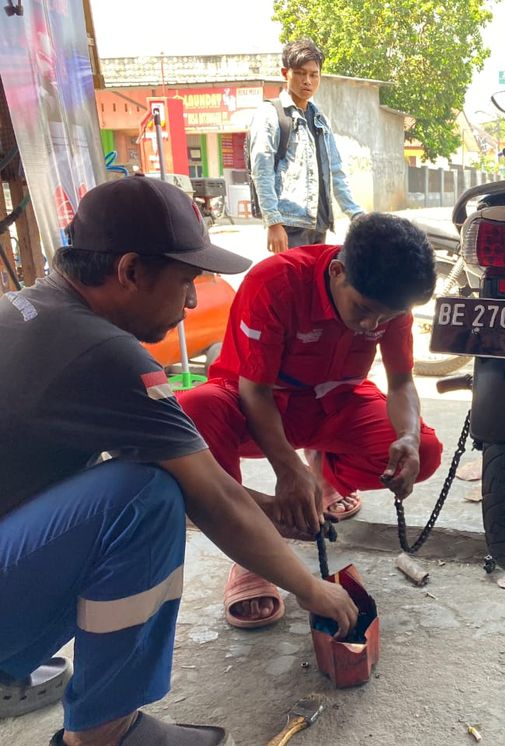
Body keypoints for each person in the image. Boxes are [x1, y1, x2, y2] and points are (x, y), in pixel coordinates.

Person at [0, 176, 359, 746]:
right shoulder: (105, 354)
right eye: (187, 281)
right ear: (131, 271)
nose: (192, 302)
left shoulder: (31, 309)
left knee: (137, 485)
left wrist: (262, 506)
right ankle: (104, 733)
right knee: (145, 498)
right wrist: (311, 590)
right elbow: (209, 495)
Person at [177, 212, 443, 629]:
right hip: (256, 404)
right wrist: (288, 469)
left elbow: (401, 381)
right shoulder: (276, 282)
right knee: (197, 408)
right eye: (365, 311)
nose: (373, 326)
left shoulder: (389, 301)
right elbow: (255, 391)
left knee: (423, 452)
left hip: (335, 403)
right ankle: (251, 551)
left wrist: (407, 436)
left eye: (386, 319)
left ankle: (325, 478)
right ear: (338, 271)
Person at [249, 38, 364, 255]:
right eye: (301, 73)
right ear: (286, 73)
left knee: (315, 286)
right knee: (292, 287)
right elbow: (261, 170)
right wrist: (273, 223)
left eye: (313, 74)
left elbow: (336, 170)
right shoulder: (271, 114)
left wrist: (355, 214)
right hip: (289, 225)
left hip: (318, 223)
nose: (307, 81)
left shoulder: (319, 118)